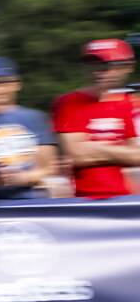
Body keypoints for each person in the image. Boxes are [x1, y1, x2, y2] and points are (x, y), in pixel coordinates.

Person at [53, 39, 140, 198]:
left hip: (131, 201)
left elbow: (137, 156)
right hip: (86, 201)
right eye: (93, 65)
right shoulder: (69, 102)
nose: (99, 71)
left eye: (108, 65)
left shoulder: (133, 104)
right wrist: (124, 153)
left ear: (128, 66)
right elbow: (77, 155)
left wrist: (93, 149)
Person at [0, 57, 59, 199]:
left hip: (33, 201)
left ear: (15, 84)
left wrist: (23, 178)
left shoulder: (34, 118)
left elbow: (49, 167)